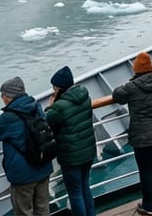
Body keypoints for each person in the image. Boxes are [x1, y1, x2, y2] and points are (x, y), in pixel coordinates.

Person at [0, 77, 54, 216]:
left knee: (23, 212)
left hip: (23, 175)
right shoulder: (35, 105)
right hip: (43, 165)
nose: (2, 98)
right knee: (42, 208)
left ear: (10, 96)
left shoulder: (8, 117)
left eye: (3, 95)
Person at [112, 52, 152, 216]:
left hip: (142, 137)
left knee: (146, 170)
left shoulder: (131, 88)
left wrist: (131, 82)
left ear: (136, 70)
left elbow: (117, 95)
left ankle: (149, 206)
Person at [46, 66, 97, 216]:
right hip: (88, 151)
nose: (53, 91)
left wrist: (51, 106)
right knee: (85, 187)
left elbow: (48, 122)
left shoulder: (60, 106)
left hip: (71, 156)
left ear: (59, 88)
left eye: (54, 87)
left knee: (75, 192)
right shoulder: (85, 97)